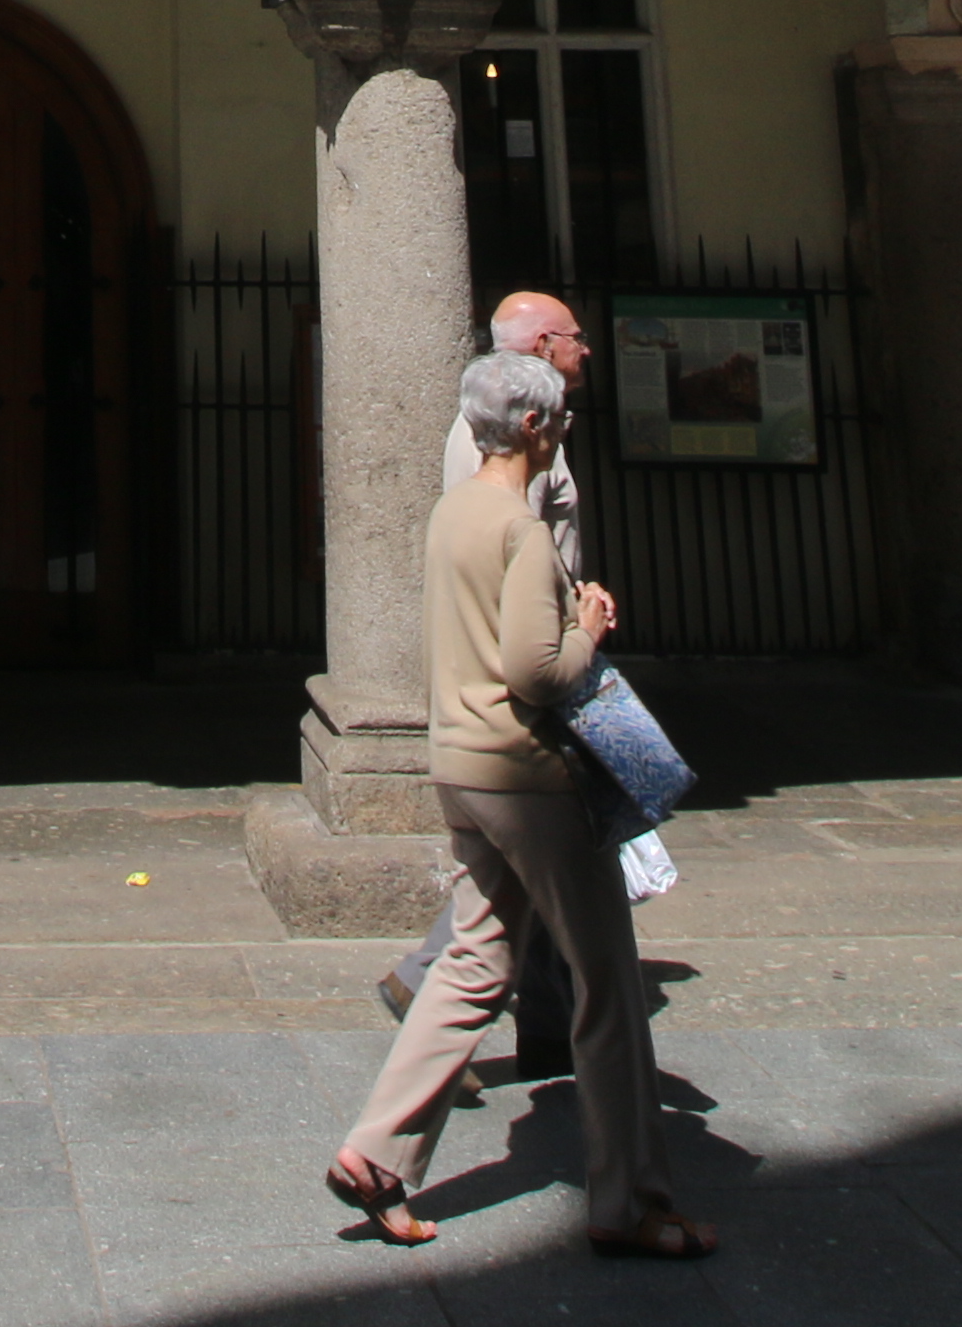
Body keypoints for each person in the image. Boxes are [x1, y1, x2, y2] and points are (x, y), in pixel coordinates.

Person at [325, 352, 708, 1260]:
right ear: (533, 427)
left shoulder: (452, 512)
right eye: (560, 415)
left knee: (473, 962)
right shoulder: (521, 530)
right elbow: (536, 672)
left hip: (458, 767)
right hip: (527, 777)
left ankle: (377, 1155)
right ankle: (633, 1202)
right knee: (608, 984)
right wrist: (591, 626)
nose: (566, 426)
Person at [381, 291, 596, 1079]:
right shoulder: (518, 455)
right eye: (575, 337)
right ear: (543, 347)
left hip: (493, 682)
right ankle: (427, 983)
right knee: (536, 871)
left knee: (518, 876)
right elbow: (523, 564)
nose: (587, 348)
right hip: (519, 681)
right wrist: (585, 629)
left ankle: (545, 1026)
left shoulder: (492, 431)